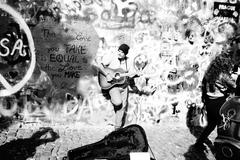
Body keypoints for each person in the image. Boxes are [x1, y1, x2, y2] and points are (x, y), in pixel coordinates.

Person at [195, 22, 240, 150]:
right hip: (216, 100)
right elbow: (232, 84)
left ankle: (200, 143)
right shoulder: (222, 71)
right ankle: (222, 144)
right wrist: (235, 83)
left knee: (213, 123)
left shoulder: (215, 66)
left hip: (210, 98)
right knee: (223, 121)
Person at [97, 43, 140, 130]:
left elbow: (130, 75)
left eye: (122, 52)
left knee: (122, 107)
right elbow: (99, 65)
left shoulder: (129, 62)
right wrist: (107, 75)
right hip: (113, 86)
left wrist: (135, 78)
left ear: (125, 54)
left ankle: (117, 128)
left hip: (124, 86)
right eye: (119, 51)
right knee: (118, 102)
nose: (119, 53)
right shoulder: (112, 57)